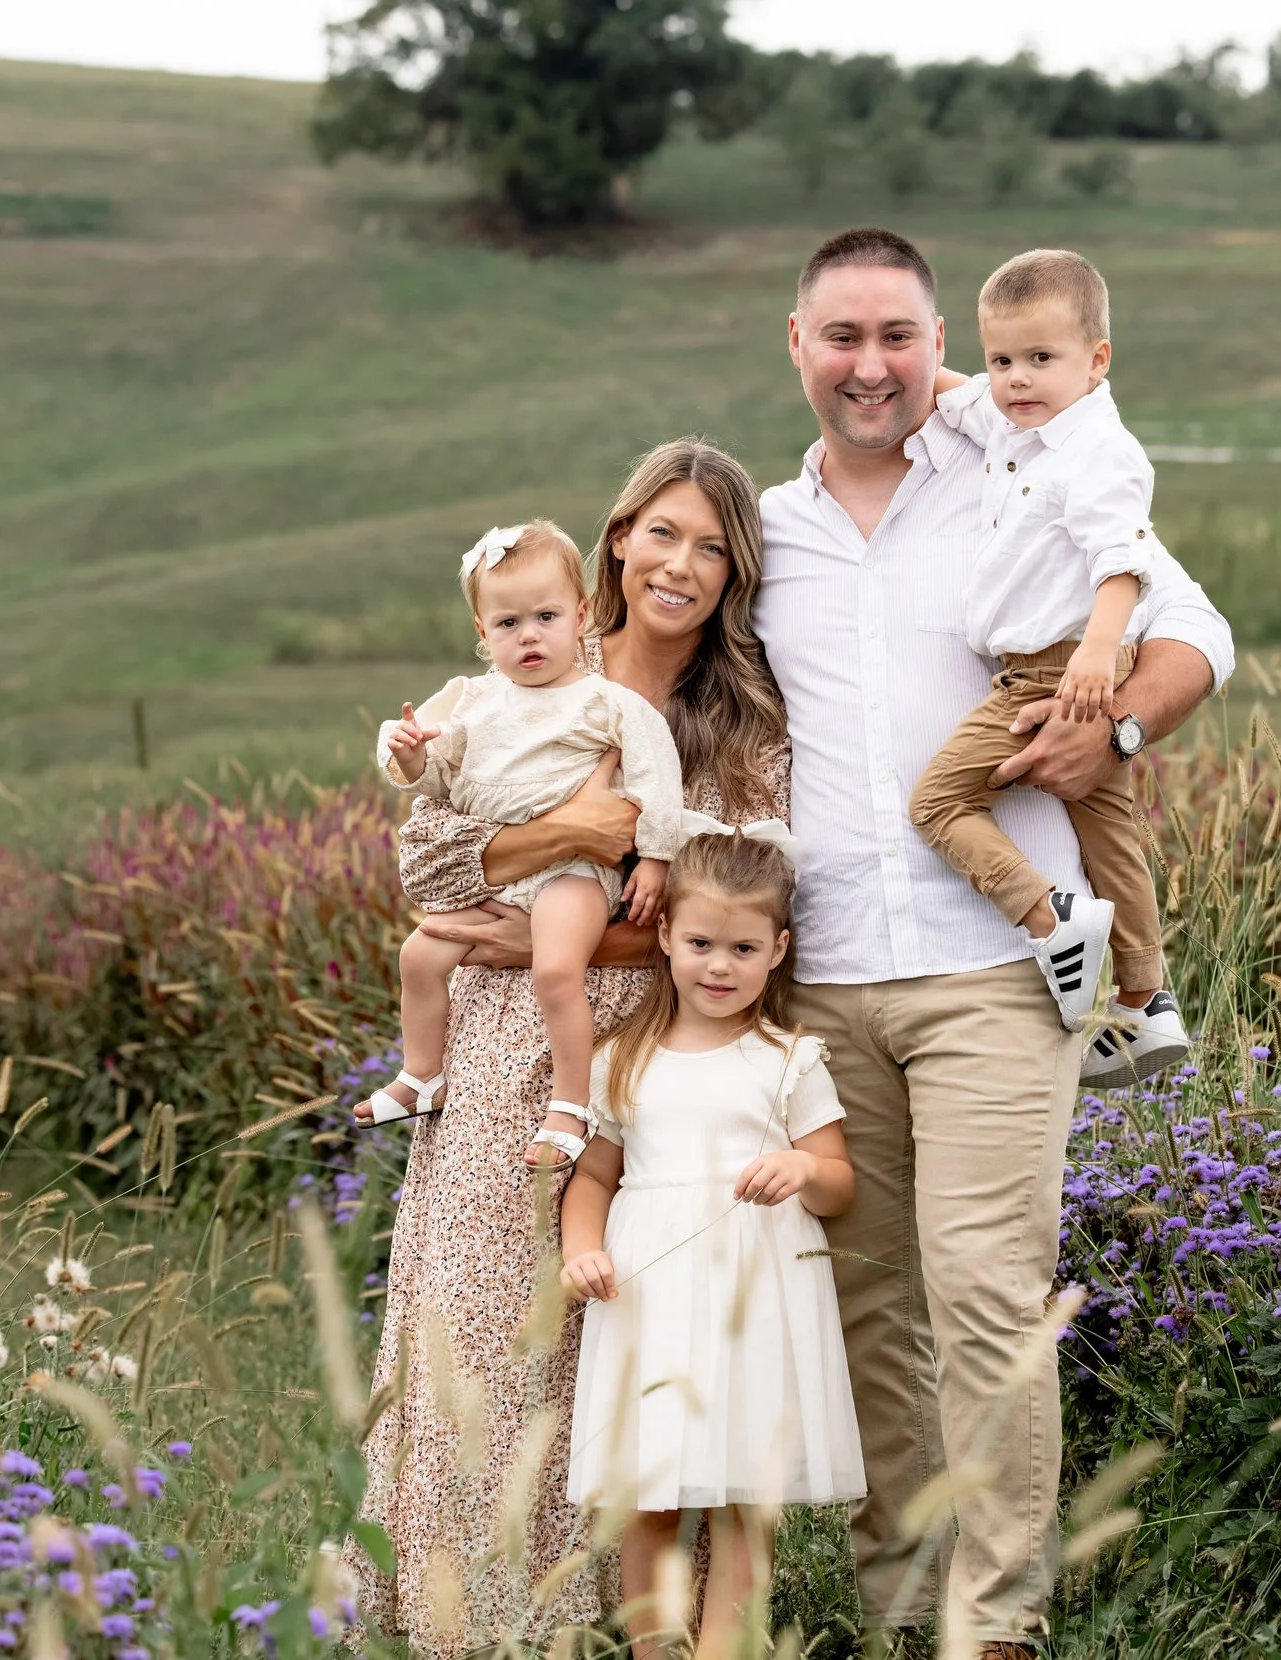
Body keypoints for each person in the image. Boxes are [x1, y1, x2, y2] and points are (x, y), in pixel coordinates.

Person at [754, 227, 1233, 1655]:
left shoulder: (1018, 474)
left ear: (934, 346)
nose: (870, 366)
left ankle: (998, 1621)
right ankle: (896, 1610)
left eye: (897, 336)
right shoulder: (762, 534)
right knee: (869, 1309)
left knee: (984, 1291)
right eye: (842, 338)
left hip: (997, 971)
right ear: (798, 345)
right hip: (824, 979)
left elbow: (1194, 627)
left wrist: (1120, 731)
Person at [352, 440, 791, 1653]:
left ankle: (628, 1624)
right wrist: (566, 830)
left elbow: (751, 927)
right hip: (509, 1047)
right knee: (489, 1314)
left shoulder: (745, 724)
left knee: (639, 1321)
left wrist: (573, 939)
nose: (680, 564)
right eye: (661, 532)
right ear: (617, 538)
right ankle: (475, 1617)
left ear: (734, 573)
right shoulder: (525, 658)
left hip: (663, 1049)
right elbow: (423, 867)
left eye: (711, 547)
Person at [560, 827, 864, 1660]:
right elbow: (592, 1178)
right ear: (664, 938)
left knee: (744, 1504)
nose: (718, 966)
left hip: (754, 1299)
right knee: (649, 1497)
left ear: (779, 950)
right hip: (649, 1298)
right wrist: (581, 1249)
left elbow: (840, 1182)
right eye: (699, 943)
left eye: (742, 947)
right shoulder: (623, 1060)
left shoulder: (791, 1059)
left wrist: (801, 1165)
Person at [907, 247, 1195, 1085]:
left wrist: (1100, 656)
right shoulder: (1013, 421)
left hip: (1057, 672)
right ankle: (1146, 999)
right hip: (1065, 666)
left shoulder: (1097, 451)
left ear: (1097, 359)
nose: (1016, 379)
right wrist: (906, 359)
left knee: (938, 800)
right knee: (1109, 832)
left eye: (1040, 359)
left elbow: (1123, 558)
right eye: (1003, 360)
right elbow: (952, 390)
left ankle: (1047, 917)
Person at [361, 519, 686, 1143]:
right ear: (483, 633)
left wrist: (657, 859)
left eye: (546, 617)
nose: (529, 636)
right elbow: (436, 777)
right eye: (508, 624)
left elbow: (657, 779)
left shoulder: (607, 704)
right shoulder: (476, 701)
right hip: (505, 876)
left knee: (556, 970)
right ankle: (423, 1074)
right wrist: (410, 759)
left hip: (572, 874)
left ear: (582, 614)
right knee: (419, 956)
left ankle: (570, 1104)